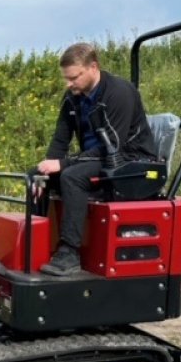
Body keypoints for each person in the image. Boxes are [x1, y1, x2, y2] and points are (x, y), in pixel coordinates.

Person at [31, 42, 157, 276]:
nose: (69, 84)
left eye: (74, 77)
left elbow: (113, 146)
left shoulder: (120, 92)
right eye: (66, 79)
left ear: (93, 67)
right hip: (96, 159)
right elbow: (60, 139)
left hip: (128, 160)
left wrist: (64, 164)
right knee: (36, 176)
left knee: (72, 177)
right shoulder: (72, 97)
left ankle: (69, 253)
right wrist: (46, 170)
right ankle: (38, 243)